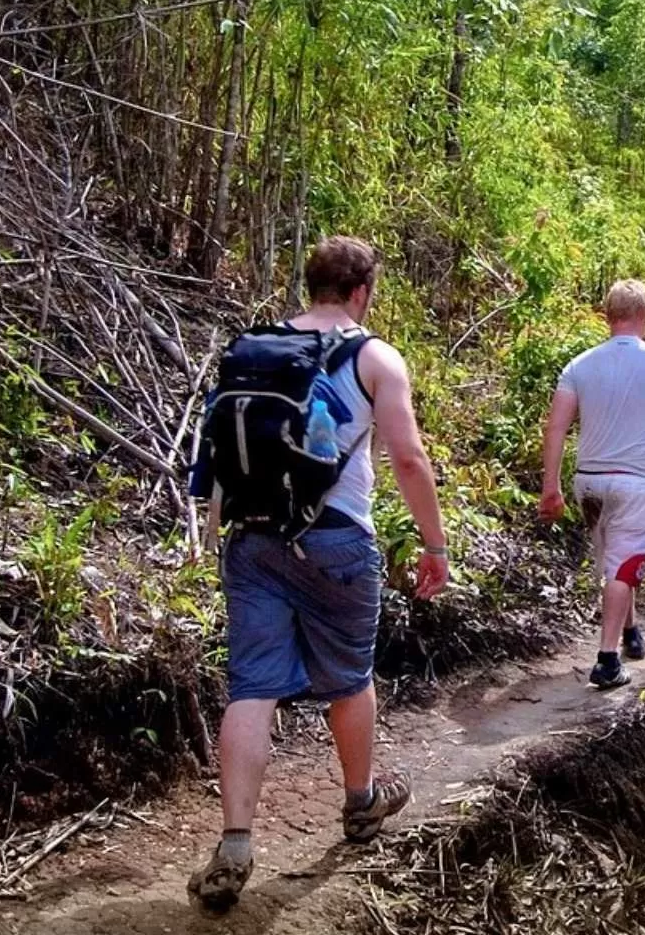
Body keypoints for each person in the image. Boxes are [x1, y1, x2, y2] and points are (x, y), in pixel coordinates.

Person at [187, 236, 449, 913]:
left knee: (252, 685)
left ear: (310, 286)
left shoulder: (253, 347)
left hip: (251, 539)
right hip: (335, 541)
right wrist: (435, 543)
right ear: (363, 291)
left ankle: (237, 841)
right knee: (349, 676)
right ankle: (361, 804)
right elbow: (409, 459)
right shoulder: (373, 356)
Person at [539, 279, 645, 691]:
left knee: (615, 563)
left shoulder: (579, 366)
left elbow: (556, 427)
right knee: (623, 566)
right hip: (636, 482)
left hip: (589, 484)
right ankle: (607, 659)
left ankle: (631, 632)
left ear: (607, 317)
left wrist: (551, 486)